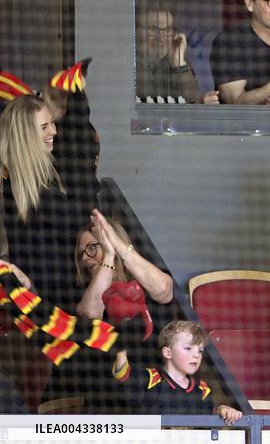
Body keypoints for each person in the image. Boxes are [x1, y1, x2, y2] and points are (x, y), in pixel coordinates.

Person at [0, 59, 100, 309]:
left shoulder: (41, 172)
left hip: (59, 294)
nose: (54, 131)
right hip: (49, 304)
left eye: (52, 123)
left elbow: (80, 145)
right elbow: (80, 215)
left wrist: (75, 95)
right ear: (26, 136)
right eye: (44, 127)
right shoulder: (24, 185)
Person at [70, 209, 176, 411]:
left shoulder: (142, 282)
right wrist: (108, 256)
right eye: (81, 253)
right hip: (107, 404)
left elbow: (164, 290)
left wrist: (117, 245)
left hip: (154, 399)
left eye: (92, 248)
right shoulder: (83, 294)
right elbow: (91, 314)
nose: (85, 258)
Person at [113, 320, 242, 423]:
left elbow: (208, 415)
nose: (196, 355)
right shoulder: (150, 379)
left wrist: (222, 409)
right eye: (188, 348)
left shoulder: (202, 390)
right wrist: (121, 349)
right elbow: (123, 376)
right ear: (168, 353)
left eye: (200, 350)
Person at [136, 8, 219, 104]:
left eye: (167, 29)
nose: (161, 36)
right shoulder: (130, 63)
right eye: (153, 29)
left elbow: (194, 103)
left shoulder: (177, 64)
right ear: (138, 31)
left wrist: (179, 63)